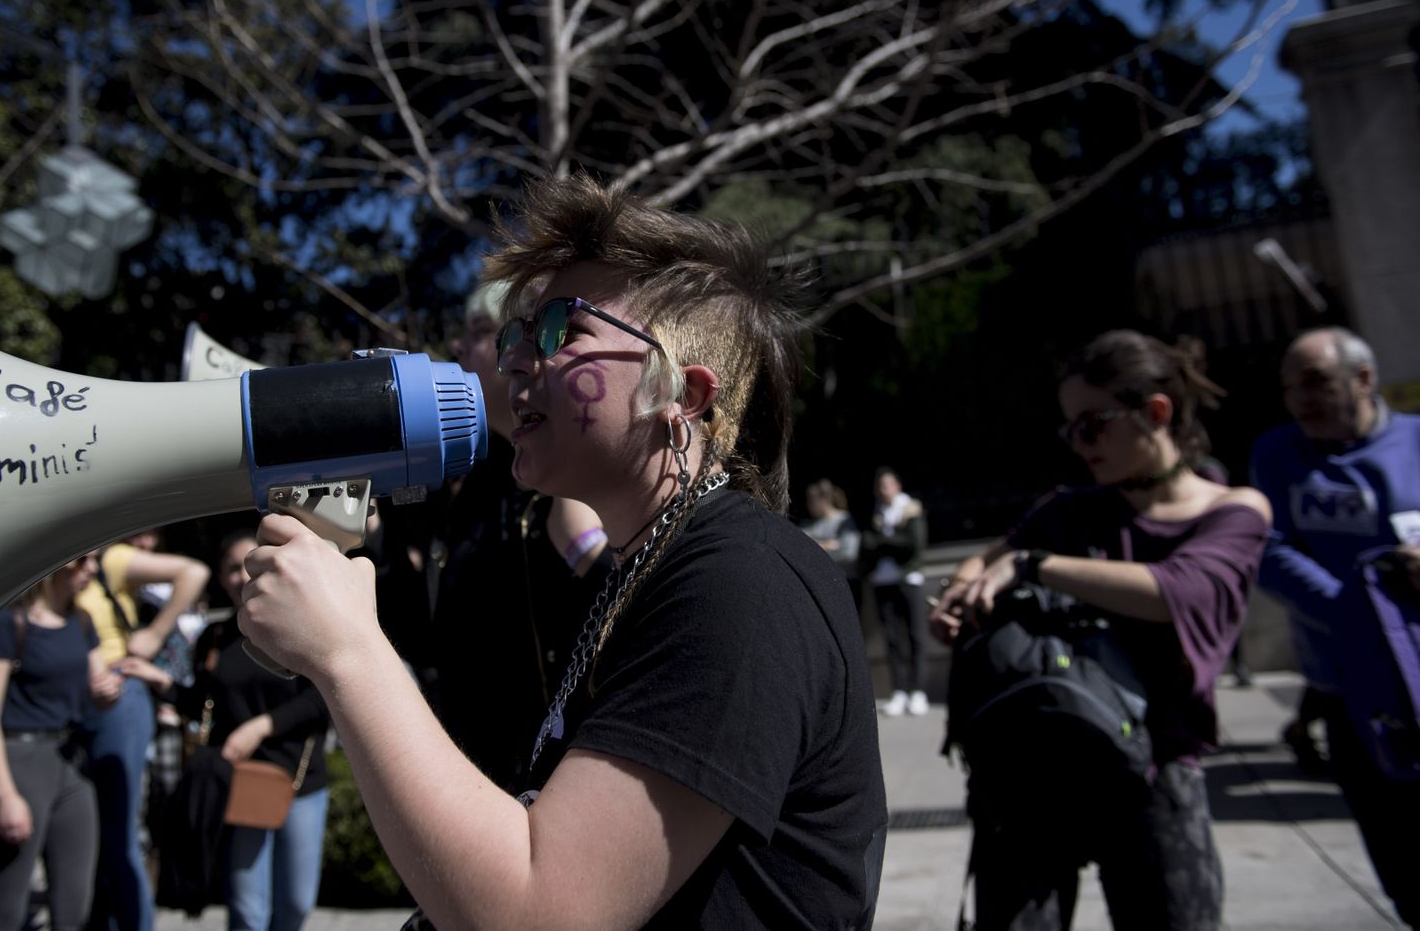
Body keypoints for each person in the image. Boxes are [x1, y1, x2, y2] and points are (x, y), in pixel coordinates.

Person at [235, 174, 888, 928]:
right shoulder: (649, 572)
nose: (515, 361)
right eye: (516, 335)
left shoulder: (744, 584)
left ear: (686, 395)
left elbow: (542, 912)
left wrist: (346, 651)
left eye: (560, 331)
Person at [931, 329, 1270, 931]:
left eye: (1092, 424)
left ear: (1155, 413)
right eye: (1069, 428)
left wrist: (1036, 566)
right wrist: (959, 597)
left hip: (1153, 773)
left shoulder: (1233, 511)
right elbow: (982, 563)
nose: (1078, 443)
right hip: (1034, 769)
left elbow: (1178, 591)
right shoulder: (1069, 509)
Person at [1249, 326, 1420, 926]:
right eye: (1290, 387)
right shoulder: (1278, 456)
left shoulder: (1416, 444)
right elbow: (1268, 552)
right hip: (1352, 694)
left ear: (1364, 379)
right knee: (1403, 861)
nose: (1301, 399)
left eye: (1316, 382)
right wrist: (1361, 608)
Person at [414, 277, 610, 791]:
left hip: (554, 791)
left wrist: (585, 549)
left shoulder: (579, 477)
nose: (457, 348)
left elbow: (642, 623)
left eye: (482, 330)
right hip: (472, 777)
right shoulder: (474, 480)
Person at [127, 529, 332, 931]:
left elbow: (321, 700)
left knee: (294, 904)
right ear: (221, 579)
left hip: (301, 779)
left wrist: (260, 727)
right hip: (242, 780)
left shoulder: (301, 626)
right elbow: (201, 703)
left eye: (247, 565)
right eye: (230, 570)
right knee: (246, 908)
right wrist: (158, 681)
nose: (240, 576)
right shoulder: (216, 637)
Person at [0, 554, 119, 931]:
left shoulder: (81, 621)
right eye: (84, 560)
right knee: (6, 901)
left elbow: (98, 688)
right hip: (20, 759)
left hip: (70, 760)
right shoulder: (9, 622)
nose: (91, 569)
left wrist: (108, 690)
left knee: (75, 899)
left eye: (96, 561)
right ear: (57, 563)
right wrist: (5, 796)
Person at [74, 530, 209, 931]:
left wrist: (152, 635)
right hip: (65, 702)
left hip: (117, 695)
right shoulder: (49, 563)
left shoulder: (108, 558)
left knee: (119, 832)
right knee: (82, 835)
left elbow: (193, 572)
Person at [861, 467, 930, 717]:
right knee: (892, 638)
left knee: (915, 636)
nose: (883, 490)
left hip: (908, 579)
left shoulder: (911, 509)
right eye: (880, 486)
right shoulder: (877, 513)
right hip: (883, 581)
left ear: (897, 486)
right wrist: (886, 544)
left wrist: (883, 543)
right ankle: (899, 690)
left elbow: (912, 545)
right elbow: (867, 545)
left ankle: (917, 690)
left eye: (887, 485)